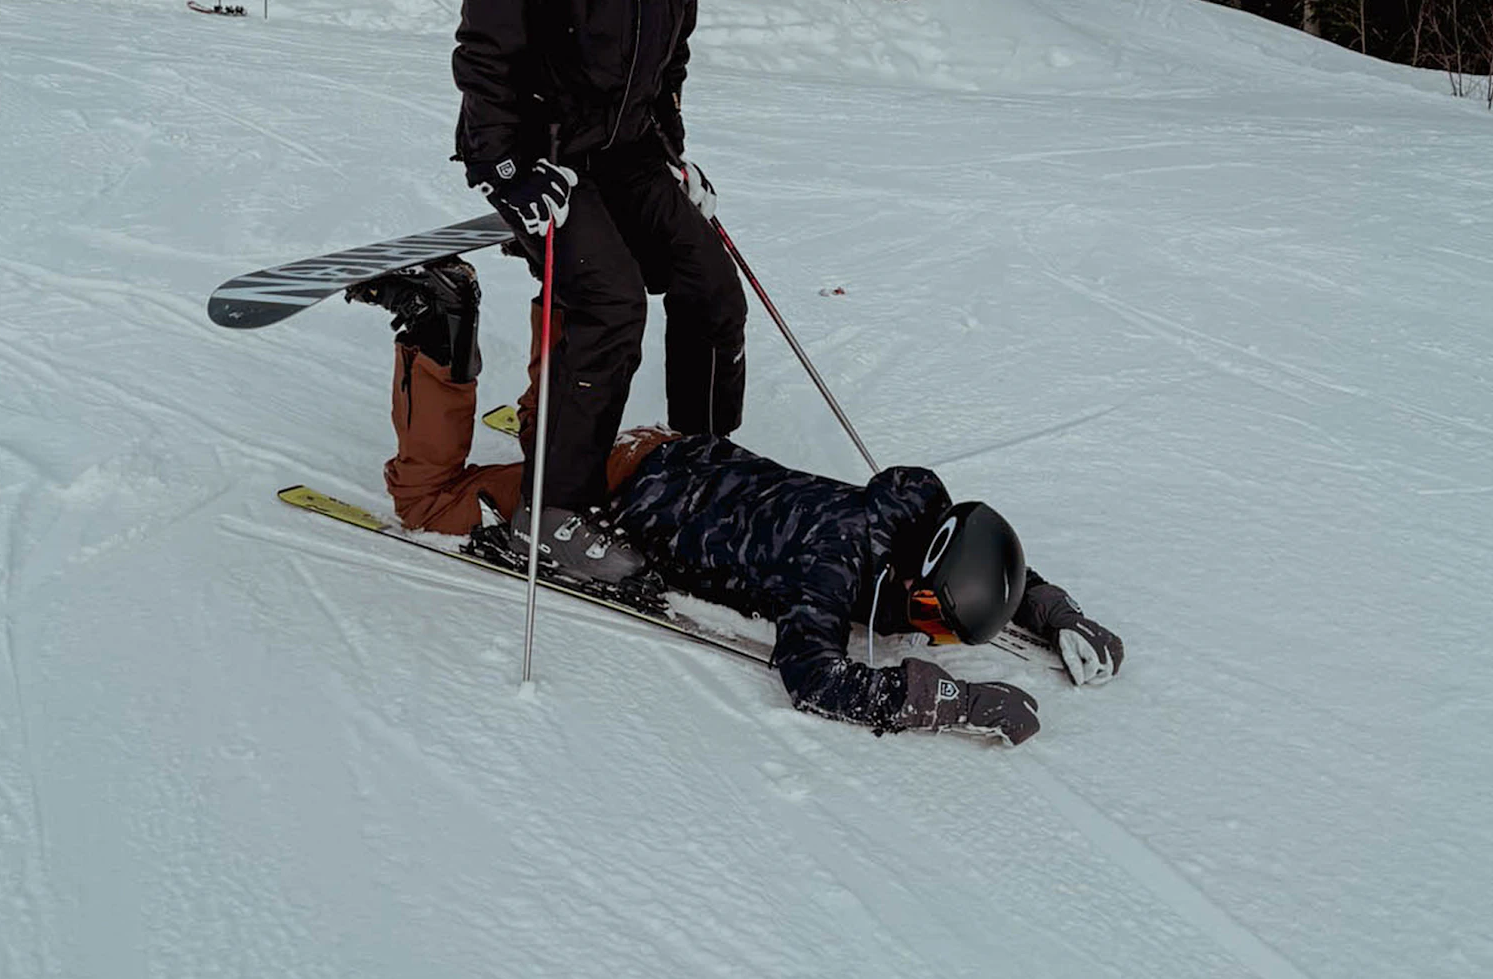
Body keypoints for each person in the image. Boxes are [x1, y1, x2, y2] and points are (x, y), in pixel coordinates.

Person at [345, 258, 1125, 743]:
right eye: (930, 622)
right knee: (429, 500)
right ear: (914, 588)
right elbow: (816, 678)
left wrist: (1053, 613)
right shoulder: (833, 565)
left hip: (670, 450)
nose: (929, 637)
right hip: (618, 495)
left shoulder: (906, 510)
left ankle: (569, 276)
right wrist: (954, 699)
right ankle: (437, 323)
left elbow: (977, 559)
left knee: (560, 433)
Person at [452, 0, 758, 586]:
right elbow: (484, 57)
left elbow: (666, 66)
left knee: (710, 288)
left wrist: (674, 157)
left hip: (625, 151)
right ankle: (551, 513)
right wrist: (504, 167)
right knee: (613, 304)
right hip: (541, 157)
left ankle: (701, 474)